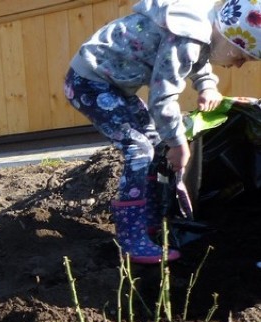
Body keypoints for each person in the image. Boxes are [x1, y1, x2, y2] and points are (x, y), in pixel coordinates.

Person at [65, 0, 260, 263]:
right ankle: (131, 238)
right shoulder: (189, 36)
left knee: (154, 142)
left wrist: (206, 86)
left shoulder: (201, 30)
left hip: (112, 86)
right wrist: (178, 143)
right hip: (89, 83)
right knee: (139, 149)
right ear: (228, 38)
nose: (238, 65)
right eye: (240, 56)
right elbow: (162, 98)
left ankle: (151, 218)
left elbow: (198, 58)